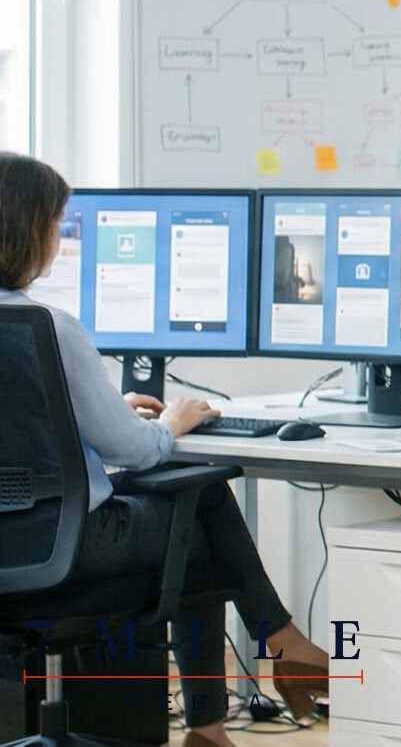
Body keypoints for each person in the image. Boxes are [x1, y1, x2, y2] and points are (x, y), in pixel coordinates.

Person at [0, 153, 333, 747]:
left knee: (189, 521)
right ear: (28, 230)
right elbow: (136, 451)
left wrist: (99, 414)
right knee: (196, 499)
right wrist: (172, 423)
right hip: (67, 546)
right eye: (55, 222)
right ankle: (270, 661)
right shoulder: (49, 325)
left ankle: (221, 713)